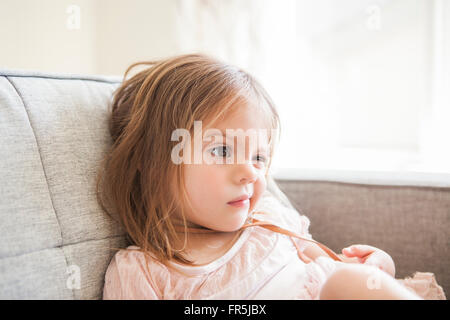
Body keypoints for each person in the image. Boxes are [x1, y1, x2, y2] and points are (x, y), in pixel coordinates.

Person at [98, 53, 446, 300]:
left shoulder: (268, 220)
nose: (250, 171)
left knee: (350, 280)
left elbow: (330, 265)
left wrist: (374, 268)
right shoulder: (141, 270)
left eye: (259, 157)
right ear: (152, 161)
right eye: (221, 150)